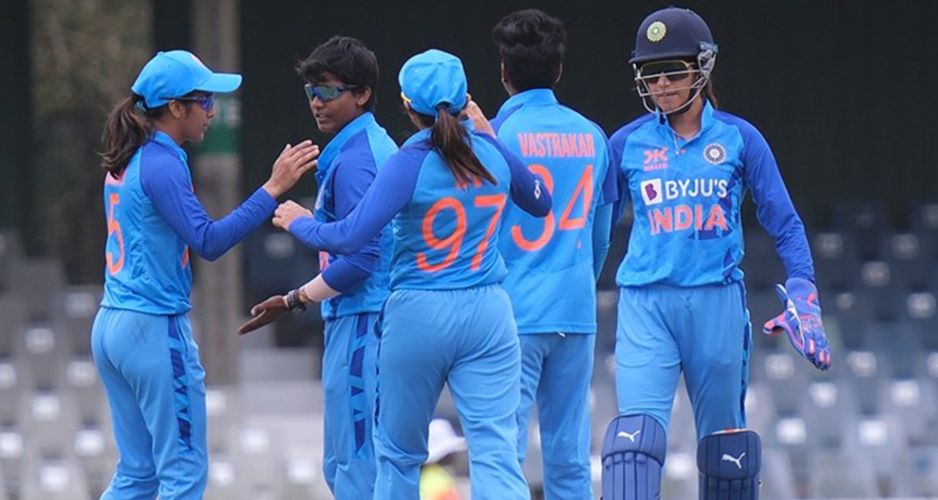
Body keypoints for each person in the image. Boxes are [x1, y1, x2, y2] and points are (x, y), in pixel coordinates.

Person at [241, 48, 550, 500]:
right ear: (466, 99)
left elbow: (350, 236)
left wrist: (298, 222)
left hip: (419, 311)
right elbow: (540, 201)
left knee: (399, 455)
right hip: (488, 312)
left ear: (407, 105)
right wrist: (489, 135)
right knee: (496, 452)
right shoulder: (492, 153)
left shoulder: (409, 160)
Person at [600, 7, 831, 500]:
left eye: (672, 71)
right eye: (650, 74)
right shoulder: (625, 144)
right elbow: (595, 230)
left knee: (727, 457)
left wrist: (804, 288)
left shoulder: (740, 139)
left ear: (702, 67)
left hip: (717, 306)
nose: (661, 84)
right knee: (632, 448)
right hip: (645, 306)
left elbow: (784, 221)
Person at [92, 49, 318, 499]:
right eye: (205, 101)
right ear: (176, 108)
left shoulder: (130, 155)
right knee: (183, 473)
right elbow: (209, 241)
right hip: (151, 327)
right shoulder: (162, 161)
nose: (212, 111)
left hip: (113, 323)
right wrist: (272, 188)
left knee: (137, 473)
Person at [258, 35, 396, 500]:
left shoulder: (358, 160)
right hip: (356, 317)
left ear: (363, 94)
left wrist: (298, 294)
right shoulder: (355, 148)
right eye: (311, 91)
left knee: (357, 465)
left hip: (365, 319)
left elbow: (362, 258)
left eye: (328, 91)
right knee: (342, 464)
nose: (316, 102)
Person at [488, 9, 616, 500]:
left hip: (513, 312)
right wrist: (577, 279)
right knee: (570, 456)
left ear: (504, 73)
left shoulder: (495, 135)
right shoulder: (594, 136)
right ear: (559, 71)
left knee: (504, 453)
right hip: (575, 310)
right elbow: (601, 236)